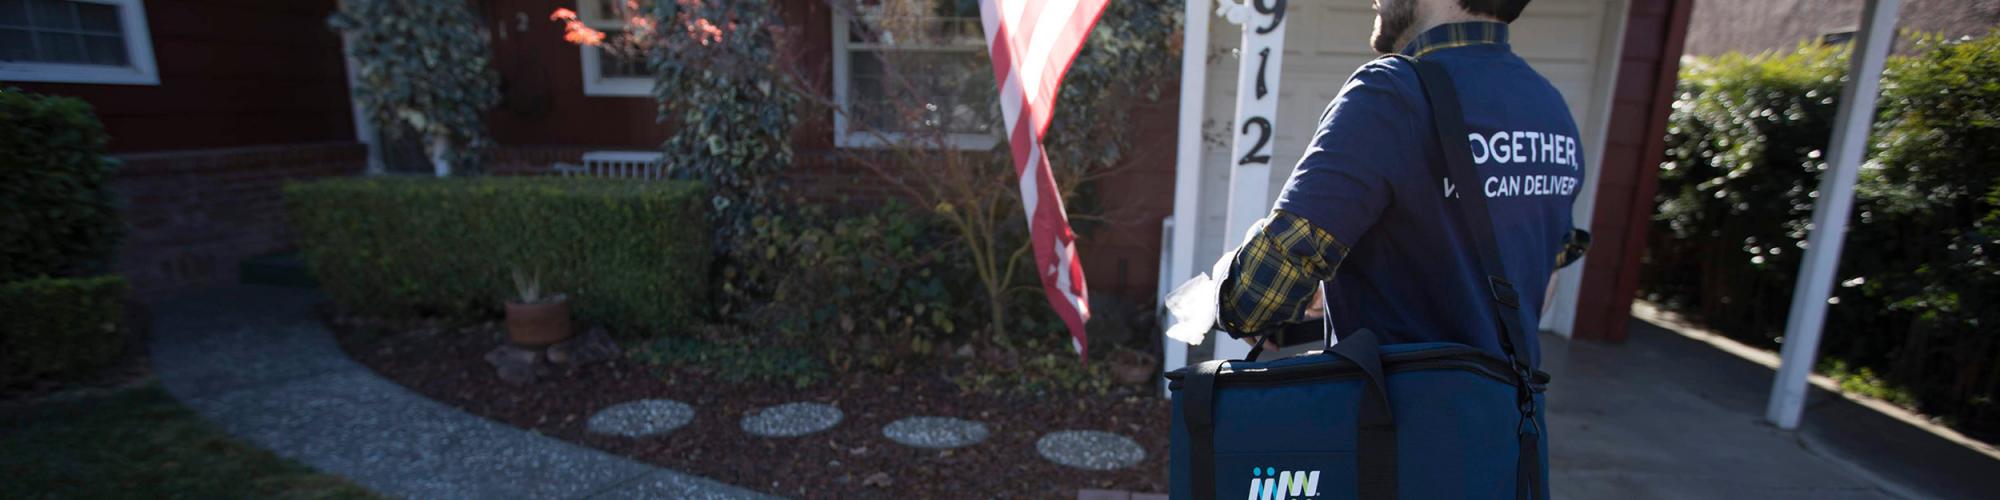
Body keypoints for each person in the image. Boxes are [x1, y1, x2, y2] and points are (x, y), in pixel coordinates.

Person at [1212, 0, 1591, 362]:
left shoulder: (1391, 93)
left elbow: (1254, 299)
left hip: (1396, 419)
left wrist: (1221, 282)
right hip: (1508, 419)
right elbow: (1542, 283)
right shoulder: (1550, 106)